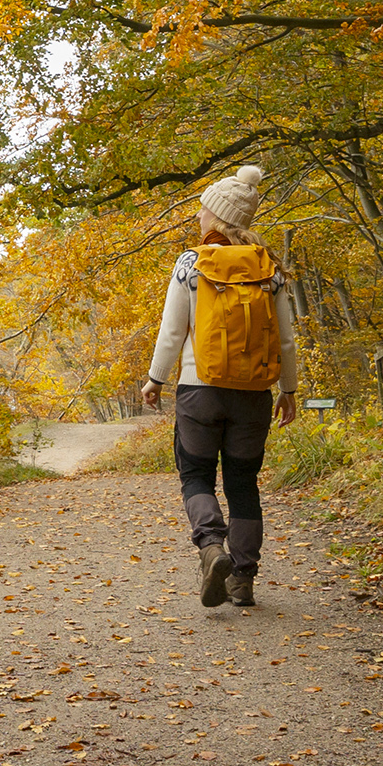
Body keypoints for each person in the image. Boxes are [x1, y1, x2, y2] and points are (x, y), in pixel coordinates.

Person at [139, 165, 300, 609]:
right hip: (253, 393)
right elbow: (285, 338)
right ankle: (243, 579)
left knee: (195, 474)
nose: (199, 217)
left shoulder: (192, 263)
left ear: (219, 216)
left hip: (199, 389)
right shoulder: (269, 268)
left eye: (205, 210)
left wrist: (155, 379)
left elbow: (172, 331)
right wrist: (288, 390)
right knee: (244, 483)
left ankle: (211, 548)